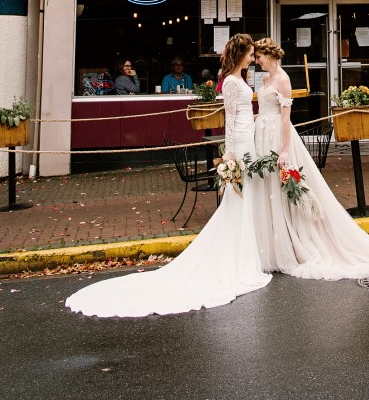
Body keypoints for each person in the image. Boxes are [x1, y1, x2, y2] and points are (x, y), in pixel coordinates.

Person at [66, 34, 270, 317]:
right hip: (242, 142)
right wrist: (230, 153)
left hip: (251, 138)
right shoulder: (233, 82)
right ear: (241, 54)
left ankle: (248, 248)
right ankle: (239, 253)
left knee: (246, 195)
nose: (252, 58)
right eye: (249, 53)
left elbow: (245, 114)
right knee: (239, 196)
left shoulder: (241, 79)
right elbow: (231, 119)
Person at [251, 37, 369, 280]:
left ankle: (296, 241)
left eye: (258, 57)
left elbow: (285, 118)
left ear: (268, 55)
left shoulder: (283, 79)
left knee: (287, 186)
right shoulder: (265, 79)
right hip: (262, 135)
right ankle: (275, 242)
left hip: (278, 137)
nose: (256, 61)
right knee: (269, 188)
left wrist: (284, 149)